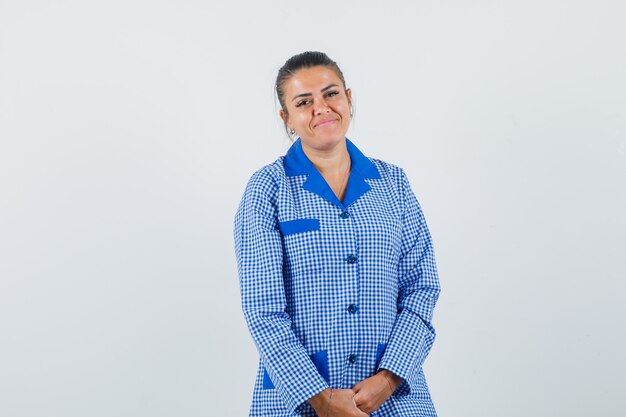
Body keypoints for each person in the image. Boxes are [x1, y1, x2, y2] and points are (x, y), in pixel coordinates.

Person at [234, 51, 441, 417]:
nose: (321, 108)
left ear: (348, 99)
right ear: (287, 119)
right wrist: (320, 398)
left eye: (331, 94)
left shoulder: (393, 184)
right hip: (297, 402)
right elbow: (263, 309)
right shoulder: (267, 190)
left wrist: (389, 379)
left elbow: (421, 288)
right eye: (304, 101)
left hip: (395, 401)